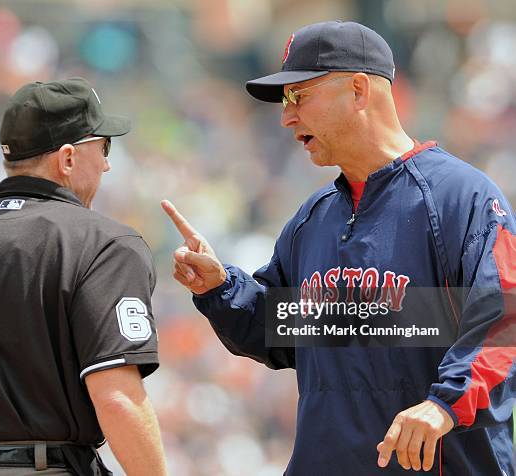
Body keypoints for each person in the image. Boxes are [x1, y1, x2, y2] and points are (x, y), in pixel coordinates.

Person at [162, 21, 515, 475]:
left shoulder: (459, 198)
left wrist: (444, 405)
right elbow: (277, 330)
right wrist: (220, 287)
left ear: (359, 89)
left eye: (300, 96)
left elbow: (503, 321)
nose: (287, 117)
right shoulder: (313, 218)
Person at [0, 77, 167, 476]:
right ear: (66, 159)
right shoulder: (105, 243)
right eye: (104, 147)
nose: (108, 163)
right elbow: (117, 399)